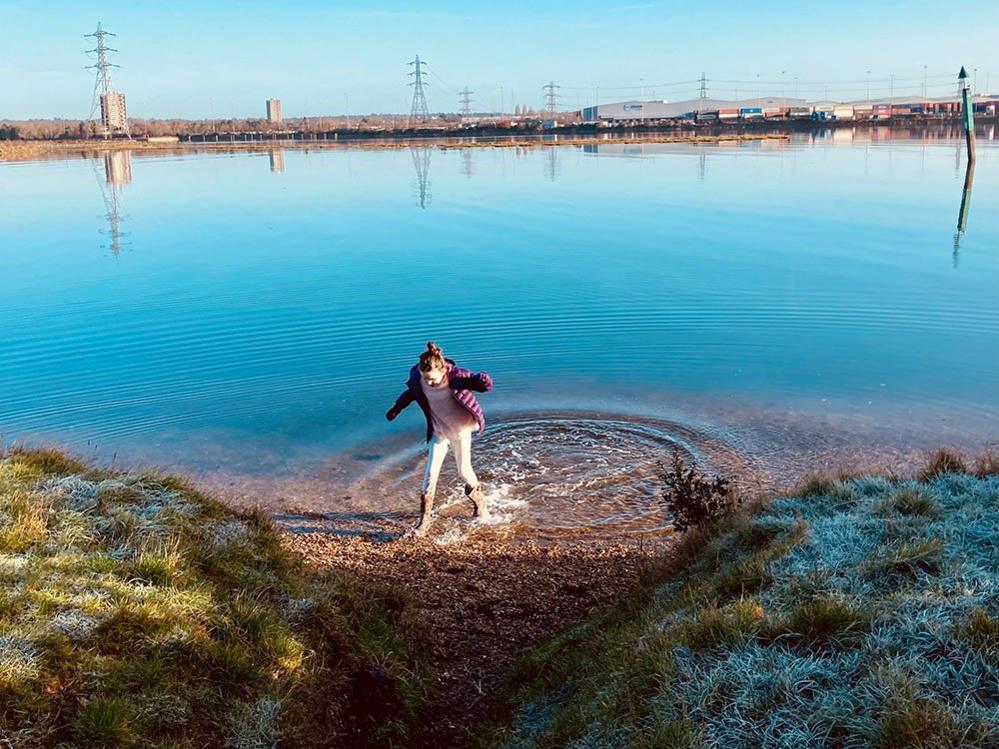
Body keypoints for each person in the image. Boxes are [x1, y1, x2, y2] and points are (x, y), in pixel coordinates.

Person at [386, 341, 493, 536]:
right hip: (439, 432)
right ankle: (423, 522)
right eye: (426, 379)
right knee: (429, 475)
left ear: (443, 370)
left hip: (461, 430)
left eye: (433, 379)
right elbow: (410, 394)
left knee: (463, 471)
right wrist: (396, 408)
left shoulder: (457, 377)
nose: (429, 383)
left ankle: (480, 504)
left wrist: (483, 380)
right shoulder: (419, 379)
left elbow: (482, 386)